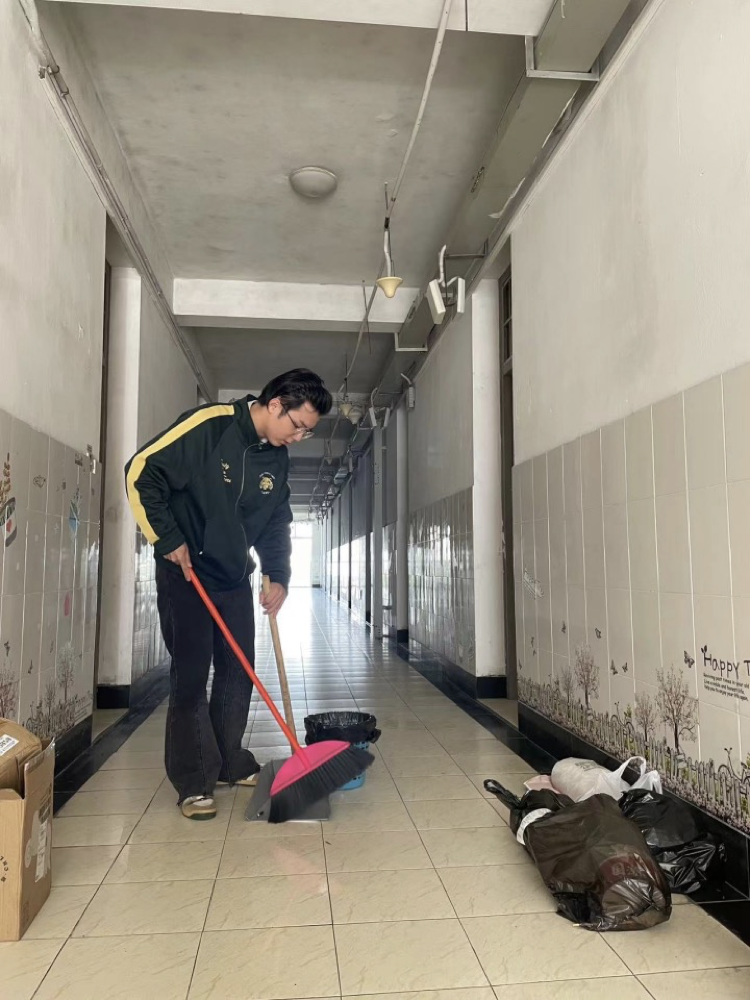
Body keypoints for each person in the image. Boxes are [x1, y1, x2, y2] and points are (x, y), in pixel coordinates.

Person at [124, 369, 332, 819]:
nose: (299, 437)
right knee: (191, 676)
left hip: (234, 577)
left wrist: (278, 573)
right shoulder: (211, 427)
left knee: (239, 671)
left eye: (308, 432)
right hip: (187, 575)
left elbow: (276, 520)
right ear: (275, 404)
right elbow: (141, 471)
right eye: (298, 426)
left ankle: (228, 761)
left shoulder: (276, 458)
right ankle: (195, 780)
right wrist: (167, 537)